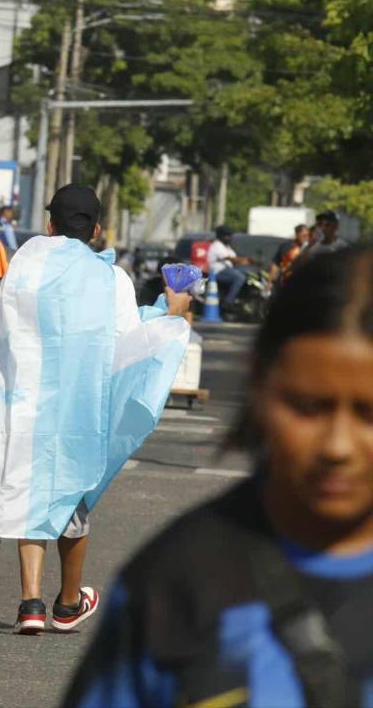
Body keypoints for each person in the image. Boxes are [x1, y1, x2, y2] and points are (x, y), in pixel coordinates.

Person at [64, 246, 373, 708]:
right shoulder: (178, 580)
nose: (337, 447)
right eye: (308, 407)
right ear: (259, 386)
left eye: (368, 413)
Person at [0, 184, 192, 633]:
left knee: (27, 498)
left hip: (24, 406)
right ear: (95, 230)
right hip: (77, 413)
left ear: (50, 224)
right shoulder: (110, 279)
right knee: (70, 501)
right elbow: (127, 345)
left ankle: (30, 604)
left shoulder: (26, 265)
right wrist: (169, 313)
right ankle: (69, 603)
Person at [208, 225, 252, 306]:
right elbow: (230, 258)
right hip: (218, 272)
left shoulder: (227, 247)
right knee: (240, 277)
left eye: (230, 236)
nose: (230, 238)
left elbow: (235, 258)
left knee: (248, 274)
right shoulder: (217, 246)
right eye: (227, 236)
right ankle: (228, 302)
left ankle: (241, 298)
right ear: (221, 236)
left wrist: (250, 261)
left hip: (227, 271)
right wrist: (244, 260)